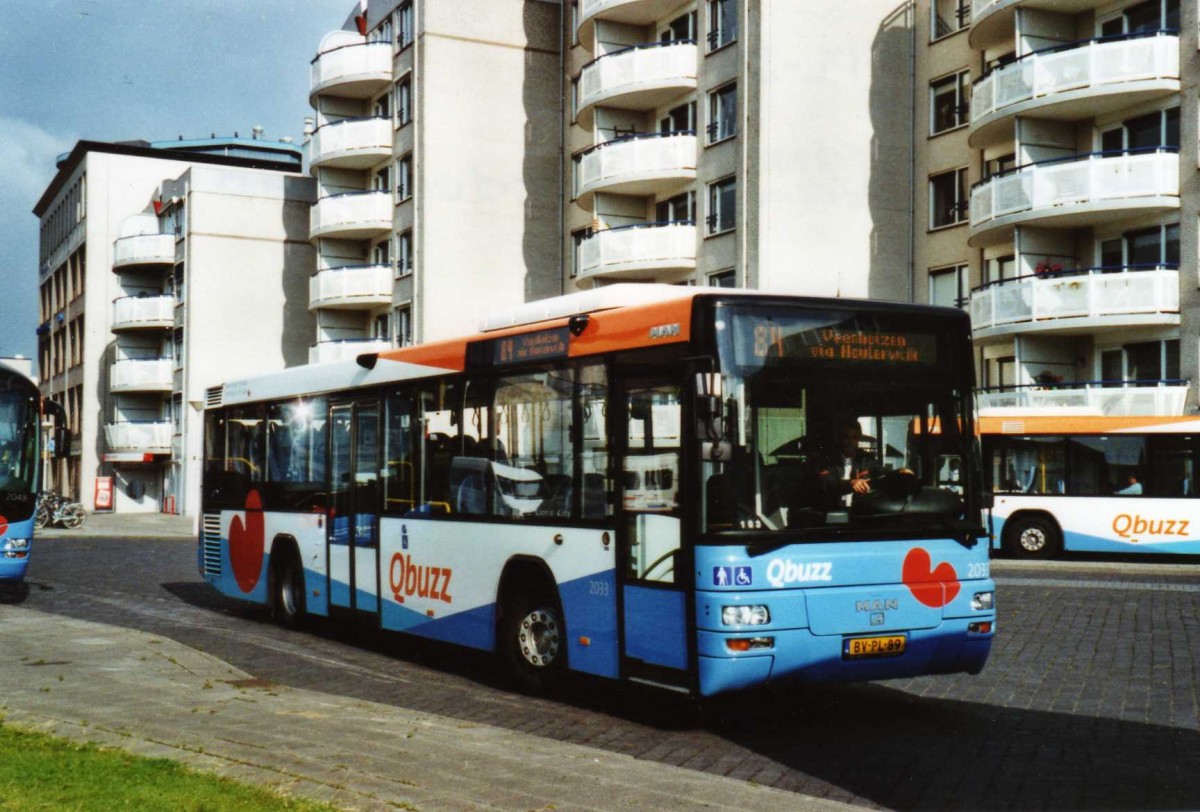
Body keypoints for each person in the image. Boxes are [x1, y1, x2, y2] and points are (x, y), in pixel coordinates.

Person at [814, 419, 882, 507]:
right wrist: (850, 484)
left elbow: (882, 475)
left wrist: (897, 473)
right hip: (832, 511)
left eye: (854, 437)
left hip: (859, 511)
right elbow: (826, 482)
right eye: (846, 437)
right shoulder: (827, 459)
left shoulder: (867, 460)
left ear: (858, 439)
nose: (850, 442)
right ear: (839, 438)